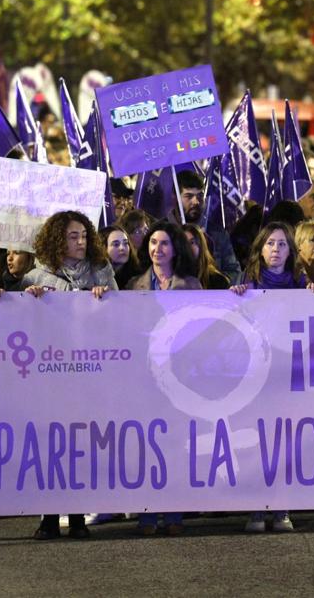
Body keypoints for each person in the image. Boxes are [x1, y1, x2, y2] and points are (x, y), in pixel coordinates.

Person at [21, 211, 116, 540]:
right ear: (57, 240)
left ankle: (77, 516)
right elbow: (22, 327)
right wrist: (28, 301)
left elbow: (120, 316)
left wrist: (107, 301)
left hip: (88, 371)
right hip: (50, 372)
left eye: (84, 236)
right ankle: (49, 517)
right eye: (73, 237)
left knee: (80, 445)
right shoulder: (35, 277)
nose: (80, 242)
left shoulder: (102, 271)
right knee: (51, 445)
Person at [232, 221, 314, 532]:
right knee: (257, 442)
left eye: (282, 244)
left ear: (290, 250)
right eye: (270, 243)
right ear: (260, 249)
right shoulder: (247, 284)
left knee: (284, 443)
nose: (275, 249)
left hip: (288, 376)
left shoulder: (301, 283)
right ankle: (257, 509)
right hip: (257, 377)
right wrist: (234, 296)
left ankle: (281, 507)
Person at [126, 222, 200, 535]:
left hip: (180, 376)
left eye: (165, 243)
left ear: (175, 249)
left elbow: (202, 329)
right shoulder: (133, 285)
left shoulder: (192, 285)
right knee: (148, 445)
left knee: (175, 444)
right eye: (153, 243)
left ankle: (173, 516)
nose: (158, 249)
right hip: (145, 377)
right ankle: (146, 515)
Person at [175, 171, 240, 281]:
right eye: (189, 196)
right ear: (176, 197)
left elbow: (234, 271)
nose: (196, 202)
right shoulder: (164, 232)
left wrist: (218, 284)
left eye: (200, 196)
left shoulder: (218, 233)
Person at [182, 223, 231, 289]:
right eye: (183, 243)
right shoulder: (171, 279)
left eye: (192, 242)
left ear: (200, 246)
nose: (187, 247)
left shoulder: (218, 280)